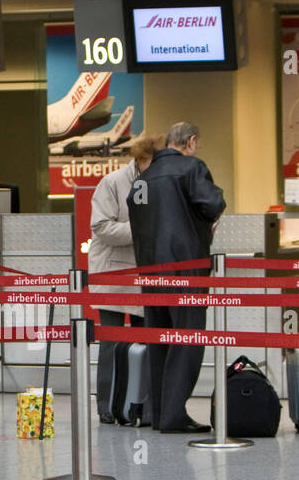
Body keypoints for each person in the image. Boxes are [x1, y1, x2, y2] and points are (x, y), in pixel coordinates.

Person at [126, 121, 226, 433]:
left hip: (150, 269)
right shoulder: (191, 168)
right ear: (192, 141)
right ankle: (173, 414)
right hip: (185, 267)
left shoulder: (144, 177)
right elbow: (213, 203)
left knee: (159, 340)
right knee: (187, 339)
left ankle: (157, 412)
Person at [91, 135, 160, 424]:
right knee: (112, 343)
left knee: (147, 343)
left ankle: (140, 404)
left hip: (144, 275)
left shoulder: (157, 183)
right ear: (140, 159)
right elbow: (101, 226)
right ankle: (107, 406)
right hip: (113, 274)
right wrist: (142, 229)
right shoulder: (113, 182)